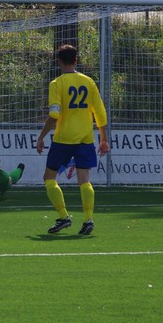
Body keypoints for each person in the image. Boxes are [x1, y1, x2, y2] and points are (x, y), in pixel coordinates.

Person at [36, 44, 110, 235]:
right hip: (85, 138)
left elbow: (54, 114)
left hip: (63, 139)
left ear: (58, 61)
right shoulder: (88, 82)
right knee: (84, 180)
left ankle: (63, 217)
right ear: (76, 60)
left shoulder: (57, 83)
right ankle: (88, 220)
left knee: (49, 178)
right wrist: (104, 139)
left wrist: (41, 136)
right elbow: (100, 113)